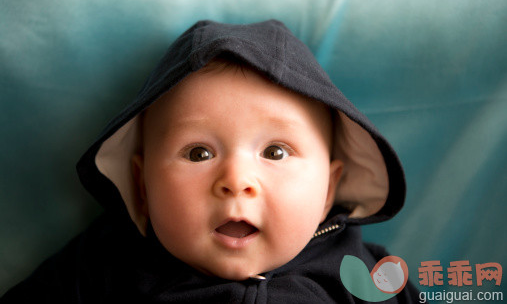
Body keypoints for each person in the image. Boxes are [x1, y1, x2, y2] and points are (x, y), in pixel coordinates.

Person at [1, 20, 420, 303]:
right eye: (199, 153)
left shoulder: (360, 272)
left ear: (328, 189)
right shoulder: (107, 263)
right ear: (142, 185)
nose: (236, 181)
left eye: (275, 152)